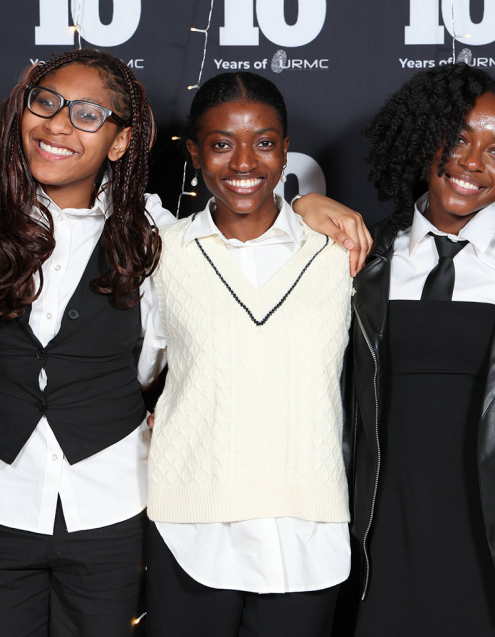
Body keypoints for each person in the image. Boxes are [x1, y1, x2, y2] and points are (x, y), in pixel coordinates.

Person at [0, 53, 371, 637]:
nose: (60, 124)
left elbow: (216, 264)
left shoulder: (153, 233)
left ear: (119, 143)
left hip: (110, 503)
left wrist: (303, 206)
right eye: (45, 104)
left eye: (89, 114)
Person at [348, 63, 495, 636]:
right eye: (457, 139)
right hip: (383, 530)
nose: (473, 163)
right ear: (421, 137)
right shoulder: (360, 255)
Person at [144, 71, 353, 637]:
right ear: (193, 153)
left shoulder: (340, 253)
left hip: (307, 527)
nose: (244, 162)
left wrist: (309, 204)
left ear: (286, 150)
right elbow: (135, 371)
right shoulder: (164, 254)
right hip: (191, 524)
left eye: (263, 142)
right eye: (221, 144)